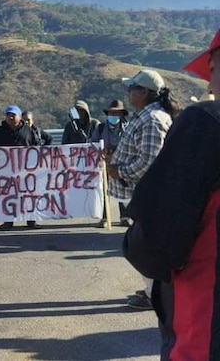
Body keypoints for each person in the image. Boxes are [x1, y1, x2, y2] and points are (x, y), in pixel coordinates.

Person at [123, 39, 216, 359]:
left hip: (204, 324)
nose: (209, 81)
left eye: (213, 69)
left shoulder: (205, 123)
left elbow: (156, 238)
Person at [107, 69, 180, 311]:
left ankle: (154, 294)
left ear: (144, 92)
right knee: (144, 244)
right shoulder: (147, 116)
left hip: (150, 194)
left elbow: (149, 162)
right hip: (146, 193)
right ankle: (152, 289)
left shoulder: (152, 120)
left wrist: (119, 171)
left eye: (132, 88)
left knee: (143, 246)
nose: (128, 92)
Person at [0, 105, 42, 230]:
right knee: (7, 197)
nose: (11, 117)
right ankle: (8, 222)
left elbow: (38, 145)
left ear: (19, 117)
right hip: (6, 172)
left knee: (28, 196)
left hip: (26, 171)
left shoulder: (28, 131)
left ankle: (31, 221)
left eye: (13, 114)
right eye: (8, 115)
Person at [90, 99, 130, 228]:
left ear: (121, 115)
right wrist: (102, 151)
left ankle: (125, 216)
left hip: (122, 165)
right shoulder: (100, 128)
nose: (113, 116)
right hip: (104, 164)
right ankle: (105, 218)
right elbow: (93, 144)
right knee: (104, 191)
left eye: (116, 113)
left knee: (123, 190)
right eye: (111, 113)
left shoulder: (129, 128)